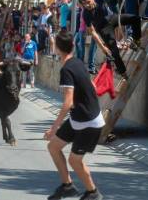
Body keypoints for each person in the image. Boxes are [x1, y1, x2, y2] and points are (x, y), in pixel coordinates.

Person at [45, 31, 105, 200]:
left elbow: (68, 102)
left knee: (74, 160)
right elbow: (92, 86)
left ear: (57, 48)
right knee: (54, 147)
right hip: (79, 118)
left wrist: (53, 128)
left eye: (54, 43)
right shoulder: (77, 62)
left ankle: (93, 193)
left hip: (89, 122)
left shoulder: (67, 69)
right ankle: (67, 186)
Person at [79, 0, 141, 79]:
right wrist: (103, 47)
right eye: (85, 4)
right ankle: (122, 72)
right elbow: (93, 32)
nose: (87, 6)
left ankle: (136, 39)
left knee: (135, 18)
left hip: (111, 18)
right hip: (103, 28)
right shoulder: (86, 14)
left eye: (88, 2)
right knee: (114, 51)